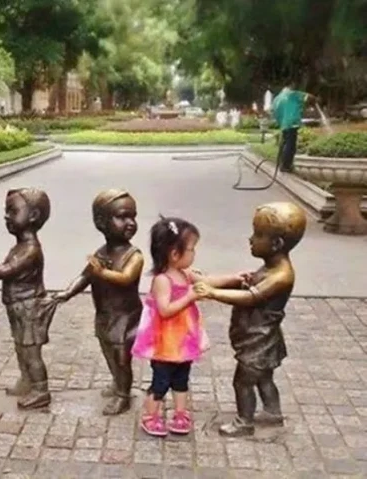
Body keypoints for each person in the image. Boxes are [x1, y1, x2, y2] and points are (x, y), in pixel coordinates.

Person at [195, 202, 307, 437]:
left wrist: (213, 293)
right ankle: (272, 412)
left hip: (260, 340)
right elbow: (249, 288)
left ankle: (244, 422)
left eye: (257, 234)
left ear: (276, 244)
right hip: (257, 336)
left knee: (243, 381)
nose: (251, 239)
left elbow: (250, 298)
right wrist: (238, 281)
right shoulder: (269, 268)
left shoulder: (281, 276)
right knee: (264, 378)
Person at [133, 216, 249, 437]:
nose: (194, 253)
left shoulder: (186, 274)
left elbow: (208, 281)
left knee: (181, 380)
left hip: (182, 341)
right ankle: (150, 416)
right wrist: (189, 296)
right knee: (160, 382)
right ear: (174, 254)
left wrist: (233, 278)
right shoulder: (162, 280)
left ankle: (180, 413)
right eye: (192, 249)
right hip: (165, 344)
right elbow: (165, 310)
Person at [53, 190, 143, 416]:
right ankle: (117, 382)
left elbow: (126, 278)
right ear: (101, 223)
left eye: (133, 216)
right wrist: (67, 292)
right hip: (105, 314)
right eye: (122, 217)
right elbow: (85, 276)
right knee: (108, 351)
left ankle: (123, 395)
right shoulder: (101, 253)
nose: (130, 222)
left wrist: (101, 272)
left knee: (121, 356)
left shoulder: (134, 255)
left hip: (126, 316)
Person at [0, 188, 58, 410]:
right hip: (17, 306)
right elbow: (4, 272)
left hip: (29, 307)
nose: (6, 216)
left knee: (31, 351)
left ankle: (40, 390)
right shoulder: (19, 247)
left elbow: (5, 270)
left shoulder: (30, 249)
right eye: (6, 211)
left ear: (33, 216)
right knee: (21, 347)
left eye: (13, 211)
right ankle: (26, 380)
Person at [271, 83, 316, 172]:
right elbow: (309, 97)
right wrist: (315, 101)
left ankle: (282, 164)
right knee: (290, 145)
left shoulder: (277, 99)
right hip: (292, 122)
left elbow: (274, 112)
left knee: (285, 143)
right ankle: (286, 166)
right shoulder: (292, 94)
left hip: (284, 123)